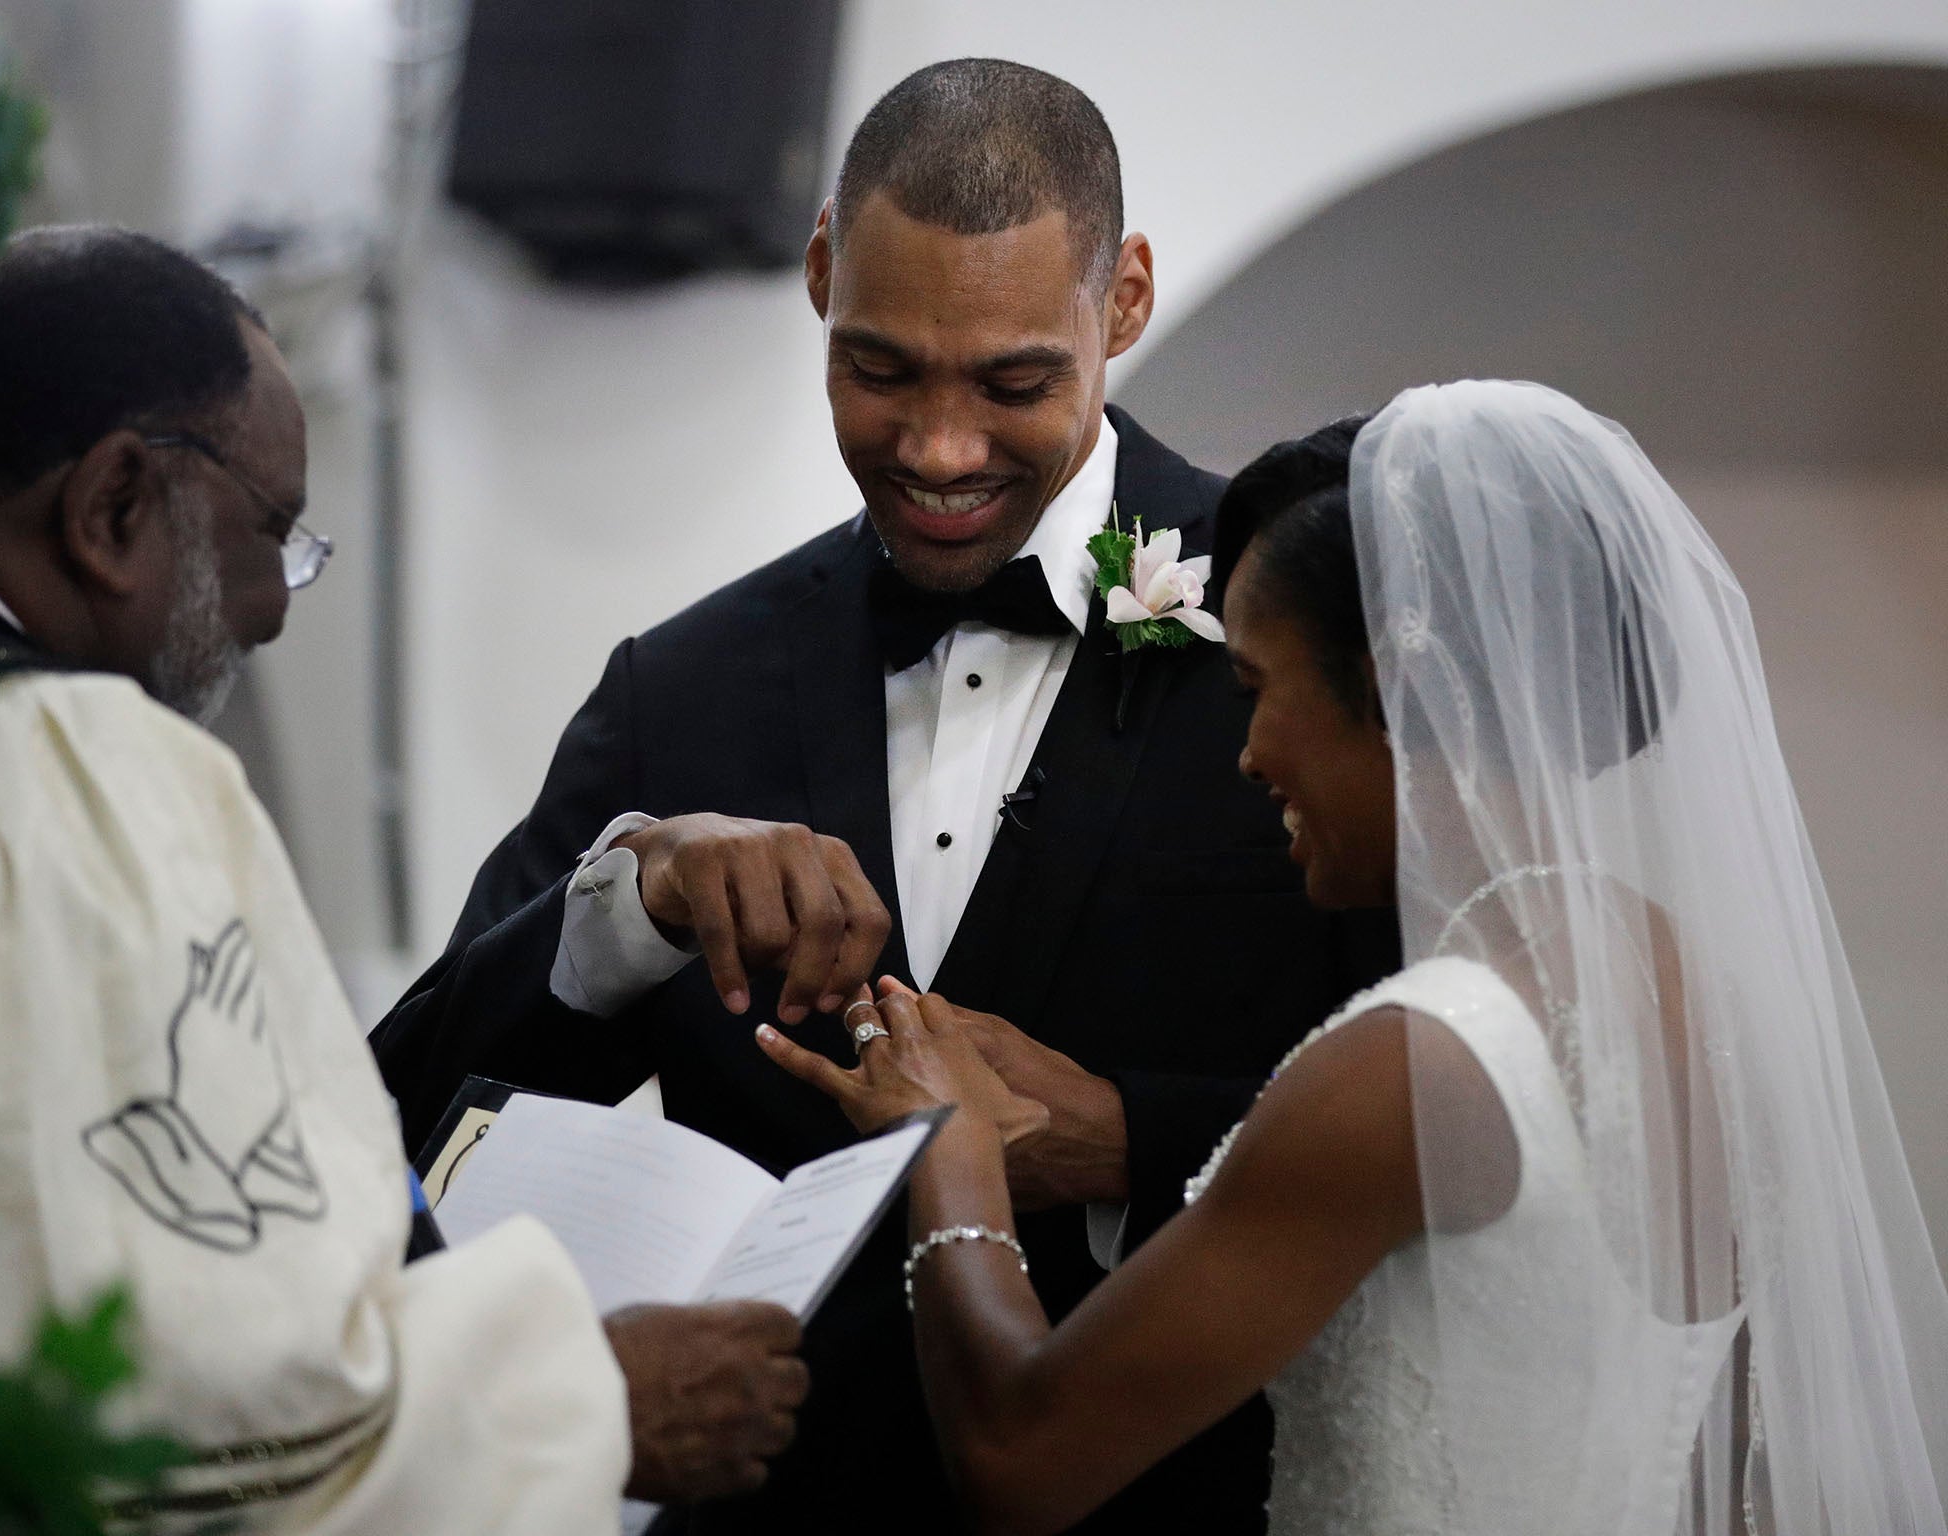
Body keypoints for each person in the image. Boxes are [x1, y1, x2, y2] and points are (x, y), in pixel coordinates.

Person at [371, 57, 1395, 1533]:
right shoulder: (684, 688)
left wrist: (1123, 1135)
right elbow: (404, 1132)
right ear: (816, 279)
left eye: (1014, 382)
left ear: (1124, 304)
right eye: (881, 368)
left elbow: (1467, 1118)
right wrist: (627, 905)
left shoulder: (1290, 629)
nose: (939, 449)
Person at [760, 381, 1948, 1534]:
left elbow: (1019, 1462)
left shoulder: (1419, 1064)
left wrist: (947, 1142)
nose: (1245, 753)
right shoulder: (1682, 989)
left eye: (1256, 689)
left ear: (1388, 692)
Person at [0, 226, 808, 1531]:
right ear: (111, 509)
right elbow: (238, 1389)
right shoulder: (90, 777)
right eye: (269, 532)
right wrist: (578, 1398)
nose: (273, 604)